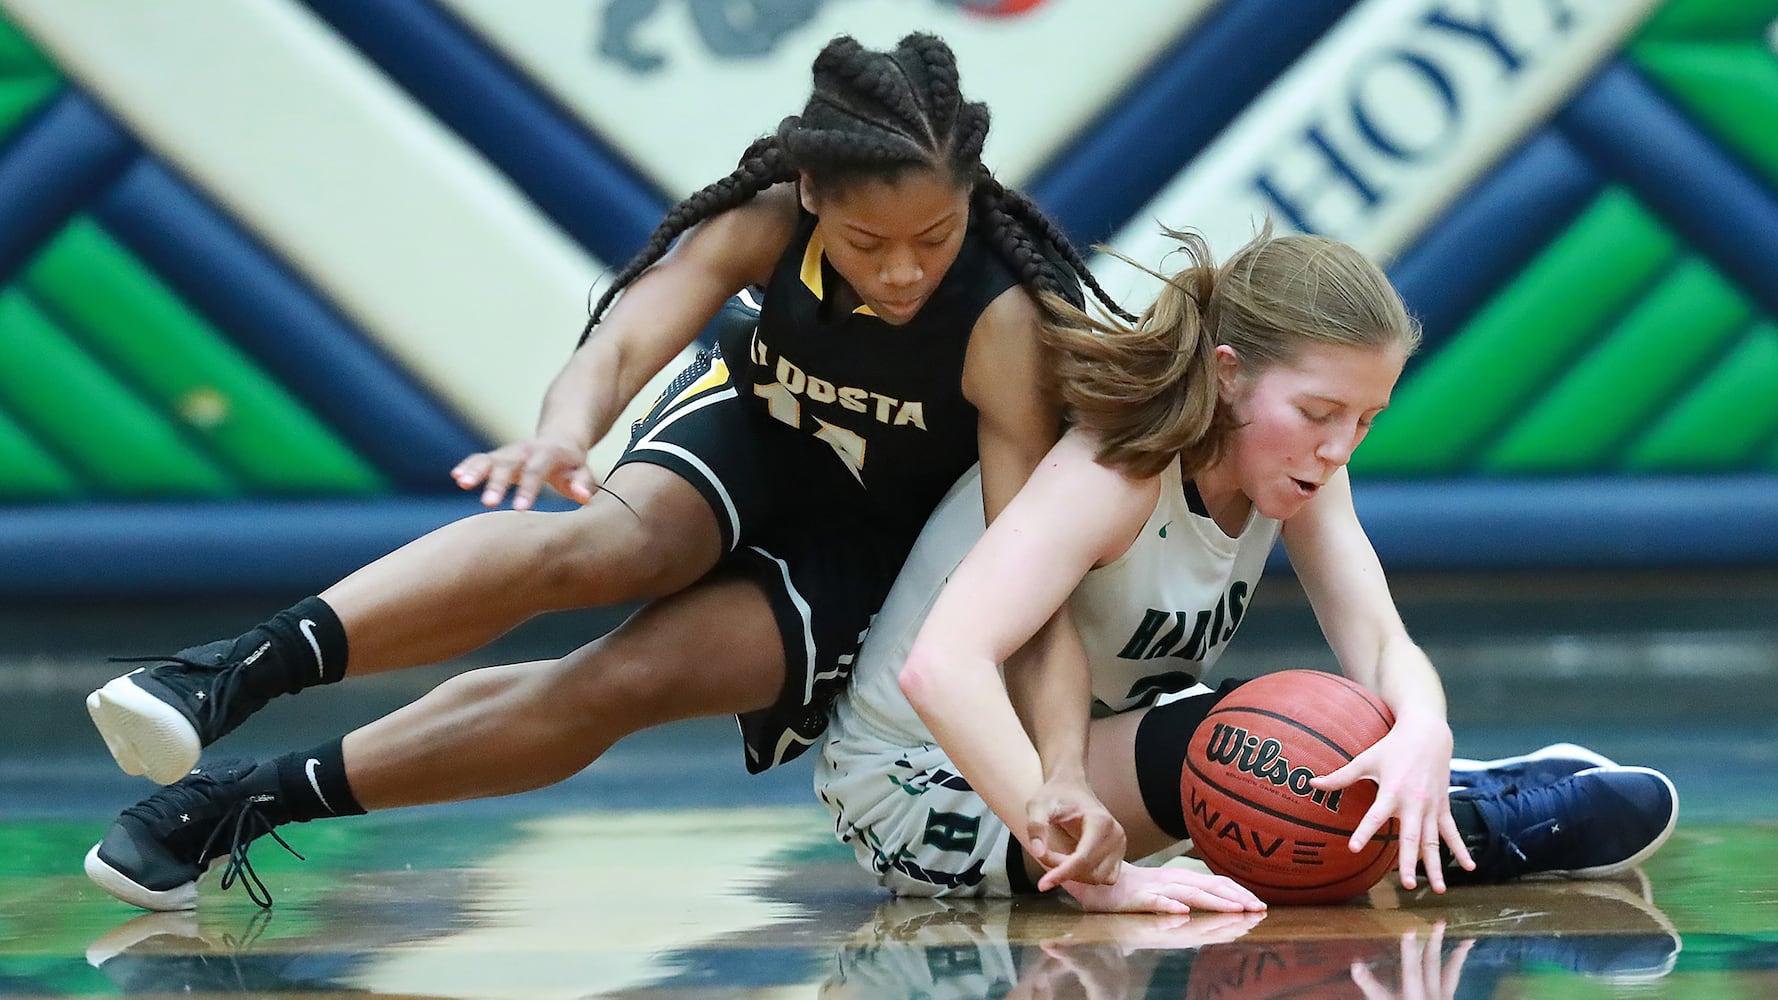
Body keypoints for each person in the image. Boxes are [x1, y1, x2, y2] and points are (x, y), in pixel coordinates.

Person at [80, 31, 1182, 912]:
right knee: (605, 541)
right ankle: (218, 676)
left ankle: (235, 805)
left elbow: (1024, 589)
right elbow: (620, 339)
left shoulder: (1001, 324)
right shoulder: (762, 219)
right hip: (755, 429)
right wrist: (564, 430)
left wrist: (1060, 773)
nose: (900, 270)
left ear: (969, 198)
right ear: (808, 193)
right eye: (864, 243)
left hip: (866, 540)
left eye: (932, 237)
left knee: (615, 685)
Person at [815, 227, 1680, 911]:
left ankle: (1429, 780)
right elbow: (943, 667)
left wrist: (1423, 723)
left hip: (1092, 755)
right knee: (1245, 745)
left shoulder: (1304, 466)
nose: (1340, 446)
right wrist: (1093, 877)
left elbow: (1379, 638)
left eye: (1368, 420)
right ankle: (1467, 827)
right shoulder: (1112, 472)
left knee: (1282, 732)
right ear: (1227, 378)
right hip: (926, 785)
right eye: (1318, 411)